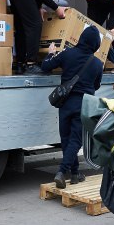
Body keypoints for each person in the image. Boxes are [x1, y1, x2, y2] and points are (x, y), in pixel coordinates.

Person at [41, 26, 104, 189]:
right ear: (96, 44)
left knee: (66, 138)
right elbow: (96, 85)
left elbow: (46, 66)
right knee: (75, 140)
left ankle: (68, 172)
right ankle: (68, 172)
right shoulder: (97, 63)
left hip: (66, 103)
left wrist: (50, 53)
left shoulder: (66, 53)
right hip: (84, 104)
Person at [7, 0, 80, 75]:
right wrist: (57, 8)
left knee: (21, 26)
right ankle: (31, 64)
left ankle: (20, 64)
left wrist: (38, 7)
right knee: (35, 24)